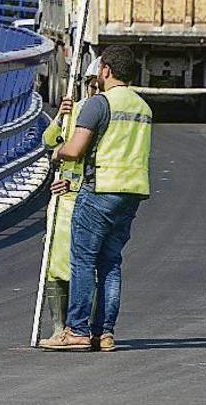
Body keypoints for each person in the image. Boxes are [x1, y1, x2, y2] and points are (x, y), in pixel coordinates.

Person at [41, 45, 152, 352]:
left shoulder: (99, 104)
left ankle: (75, 330)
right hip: (131, 192)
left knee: (83, 261)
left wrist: (56, 154)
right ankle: (104, 333)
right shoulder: (143, 107)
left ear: (105, 70)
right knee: (111, 263)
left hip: (100, 188)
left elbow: (74, 149)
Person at [37, 57, 100, 345]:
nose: (92, 90)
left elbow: (76, 154)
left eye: (96, 85)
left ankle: (85, 329)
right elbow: (49, 141)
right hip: (63, 199)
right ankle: (59, 327)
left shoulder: (103, 114)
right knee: (55, 262)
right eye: (90, 85)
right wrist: (61, 117)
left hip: (85, 195)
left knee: (86, 264)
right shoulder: (76, 110)